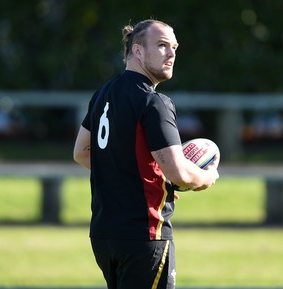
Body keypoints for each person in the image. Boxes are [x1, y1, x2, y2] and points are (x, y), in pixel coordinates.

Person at [73, 19, 219, 289]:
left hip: (105, 234)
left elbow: (81, 152)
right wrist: (206, 177)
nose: (172, 53)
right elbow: (179, 173)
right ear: (137, 51)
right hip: (144, 235)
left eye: (174, 47)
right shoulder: (154, 102)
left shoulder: (103, 93)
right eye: (162, 45)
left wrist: (136, 177)